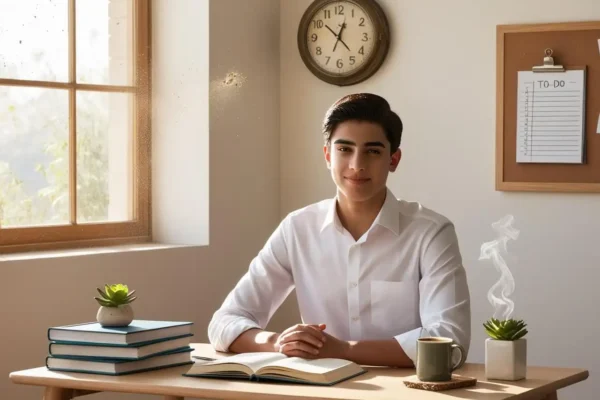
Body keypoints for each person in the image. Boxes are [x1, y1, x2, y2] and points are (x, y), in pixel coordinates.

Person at [207, 93, 471, 368]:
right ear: (327, 155)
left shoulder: (430, 232)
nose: (357, 165)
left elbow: (450, 341)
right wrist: (279, 342)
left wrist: (344, 349)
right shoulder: (297, 229)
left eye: (373, 151)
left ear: (393, 159)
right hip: (319, 391)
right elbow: (223, 323)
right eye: (344, 149)